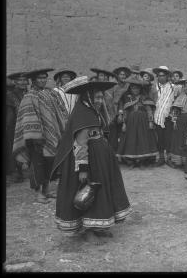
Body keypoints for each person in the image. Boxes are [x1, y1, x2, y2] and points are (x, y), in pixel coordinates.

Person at [51, 76, 131, 244]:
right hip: (90, 162)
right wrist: (83, 169)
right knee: (88, 193)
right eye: (97, 97)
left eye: (101, 97)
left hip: (101, 160)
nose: (100, 101)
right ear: (87, 97)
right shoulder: (82, 114)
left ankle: (98, 226)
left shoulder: (93, 111)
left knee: (100, 193)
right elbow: (80, 144)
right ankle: (88, 231)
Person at [13, 69, 68, 204]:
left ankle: (46, 190)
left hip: (53, 136)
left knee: (50, 163)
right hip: (36, 137)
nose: (43, 80)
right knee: (37, 165)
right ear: (33, 80)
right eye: (40, 78)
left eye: (45, 77)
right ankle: (38, 194)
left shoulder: (50, 94)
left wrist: (63, 126)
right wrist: (36, 136)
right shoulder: (29, 96)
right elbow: (27, 116)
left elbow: (60, 110)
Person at [116, 79, 158, 168]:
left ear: (140, 89)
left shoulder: (144, 97)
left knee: (143, 141)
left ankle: (142, 161)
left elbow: (149, 110)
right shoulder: (128, 98)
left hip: (143, 123)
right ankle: (131, 161)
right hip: (131, 123)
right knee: (131, 141)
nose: (135, 90)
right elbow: (126, 112)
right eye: (133, 88)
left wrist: (150, 121)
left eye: (137, 89)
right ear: (130, 89)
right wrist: (124, 123)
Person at [6, 72, 29, 184]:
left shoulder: (29, 93)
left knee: (26, 148)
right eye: (20, 80)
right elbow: (9, 115)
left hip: (28, 126)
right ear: (15, 82)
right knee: (14, 148)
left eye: (25, 80)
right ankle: (15, 172)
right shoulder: (10, 95)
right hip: (14, 127)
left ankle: (22, 170)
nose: (23, 82)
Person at [167, 78, 187, 169]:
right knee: (178, 140)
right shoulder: (180, 97)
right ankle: (177, 161)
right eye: (185, 86)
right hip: (180, 121)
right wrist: (174, 119)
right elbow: (175, 109)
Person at [105, 67, 132, 152]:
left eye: (124, 74)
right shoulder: (113, 86)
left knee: (125, 134)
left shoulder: (128, 86)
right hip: (115, 112)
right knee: (114, 134)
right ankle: (113, 153)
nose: (123, 76)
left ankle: (124, 153)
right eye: (121, 74)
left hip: (127, 111)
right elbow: (110, 101)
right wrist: (114, 114)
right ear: (117, 76)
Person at [153, 66, 175, 166]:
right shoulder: (154, 88)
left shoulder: (173, 87)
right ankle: (161, 158)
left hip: (168, 117)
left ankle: (169, 158)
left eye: (163, 75)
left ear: (167, 76)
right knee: (160, 138)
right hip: (157, 116)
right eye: (159, 76)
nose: (161, 77)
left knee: (168, 138)